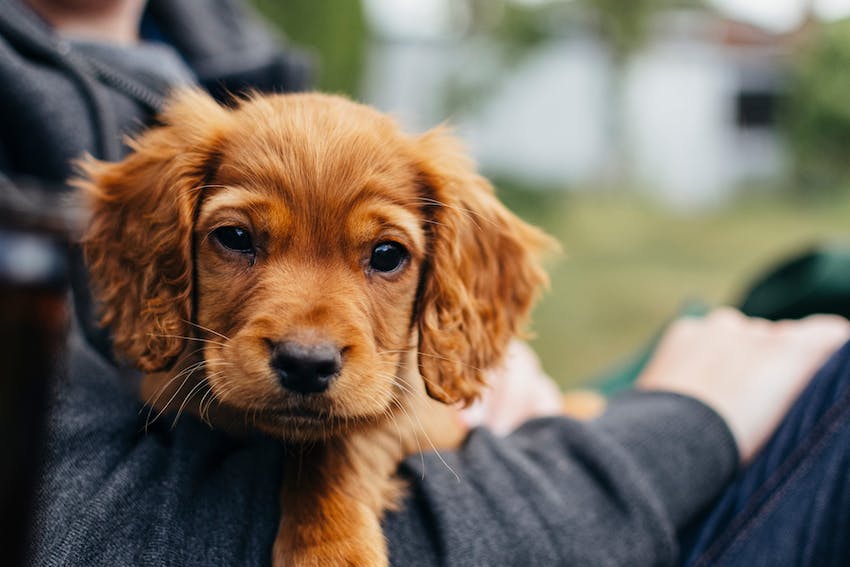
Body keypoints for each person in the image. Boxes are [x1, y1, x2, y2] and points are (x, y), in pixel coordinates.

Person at [4, 1, 850, 565]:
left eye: (384, 255)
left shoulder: (232, 48)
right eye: (236, 238)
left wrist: (470, 367)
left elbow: (436, 401)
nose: (306, 336)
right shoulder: (154, 168)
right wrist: (682, 427)